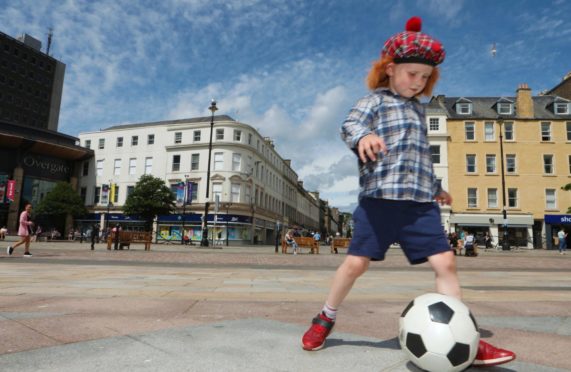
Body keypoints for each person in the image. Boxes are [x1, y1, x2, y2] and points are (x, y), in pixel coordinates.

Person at [300, 17, 515, 367]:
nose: (418, 83)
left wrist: (437, 189)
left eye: (425, 77)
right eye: (411, 74)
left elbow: (419, 159)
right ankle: (324, 317)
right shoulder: (375, 102)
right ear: (390, 69)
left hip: (419, 206)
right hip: (379, 204)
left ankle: (467, 339)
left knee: (446, 263)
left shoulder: (419, 111)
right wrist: (363, 137)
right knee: (355, 264)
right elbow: (349, 125)